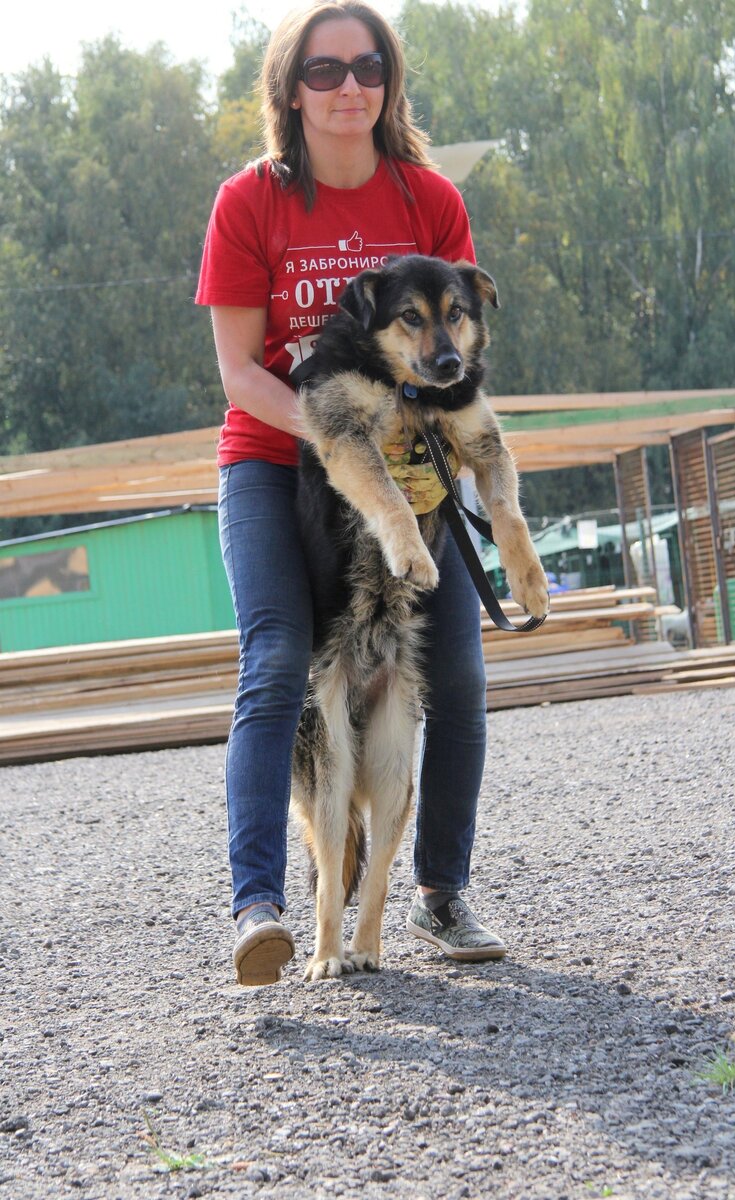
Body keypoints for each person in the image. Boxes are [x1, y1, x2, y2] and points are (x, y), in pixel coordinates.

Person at [196, 0, 506, 986]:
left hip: (411, 465)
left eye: (365, 66)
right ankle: (259, 909)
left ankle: (438, 894)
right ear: (291, 90)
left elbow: (452, 356)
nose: (347, 88)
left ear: (388, 79)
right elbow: (242, 373)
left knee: (452, 672)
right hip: (275, 456)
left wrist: (438, 451)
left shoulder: (426, 200)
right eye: (324, 72)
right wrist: (347, 444)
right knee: (279, 658)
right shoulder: (248, 202)